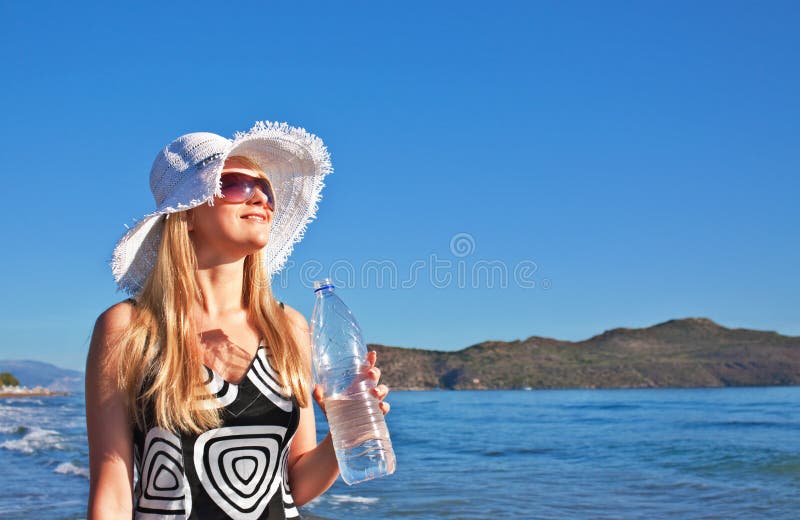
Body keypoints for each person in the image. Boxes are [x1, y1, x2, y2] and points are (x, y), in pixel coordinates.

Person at [85, 121, 390, 519]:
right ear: (188, 213)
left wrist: (345, 434)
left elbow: (294, 485)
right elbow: (112, 486)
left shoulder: (289, 329)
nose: (261, 198)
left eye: (266, 189)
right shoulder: (129, 328)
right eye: (235, 184)